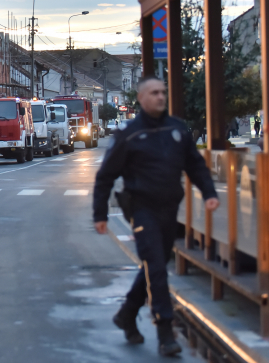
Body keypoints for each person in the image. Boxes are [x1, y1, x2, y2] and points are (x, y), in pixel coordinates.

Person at [93, 77, 219, 357]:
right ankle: (165, 331)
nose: (161, 97)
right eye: (154, 93)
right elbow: (105, 177)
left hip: (169, 209)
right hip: (142, 209)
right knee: (158, 267)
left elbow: (194, 165)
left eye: (163, 92)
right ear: (141, 98)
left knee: (154, 264)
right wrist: (99, 213)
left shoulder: (176, 129)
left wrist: (209, 192)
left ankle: (127, 313)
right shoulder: (129, 132)